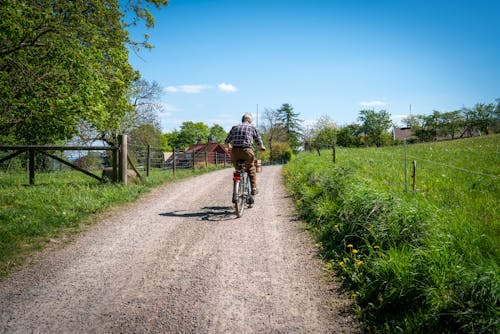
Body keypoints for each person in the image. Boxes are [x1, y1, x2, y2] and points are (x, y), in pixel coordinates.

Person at [225, 113, 266, 195]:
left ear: (242, 119)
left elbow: (227, 141)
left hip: (235, 152)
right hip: (246, 151)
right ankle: (253, 188)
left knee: (237, 170)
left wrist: (229, 146)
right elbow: (258, 140)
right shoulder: (252, 127)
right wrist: (261, 147)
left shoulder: (235, 127)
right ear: (249, 120)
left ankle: (236, 191)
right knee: (251, 168)